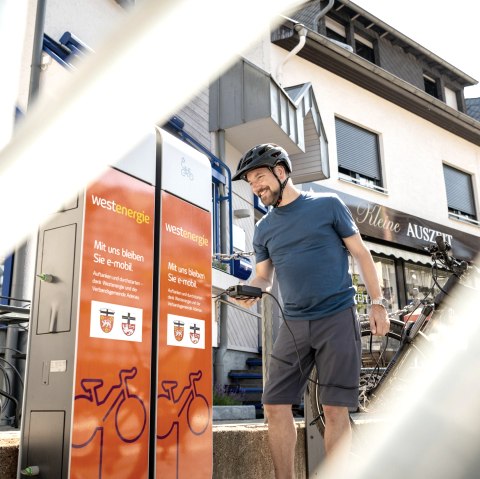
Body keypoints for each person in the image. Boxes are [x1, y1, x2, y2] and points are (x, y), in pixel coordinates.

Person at [230, 143, 389, 478]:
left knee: (334, 410)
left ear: (281, 171)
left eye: (260, 177)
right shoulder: (264, 229)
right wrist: (248, 292)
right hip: (294, 324)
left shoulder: (328, 205)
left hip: (337, 317)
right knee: (273, 405)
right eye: (250, 183)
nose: (256, 187)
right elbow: (263, 278)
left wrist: (377, 303)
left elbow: (360, 253)